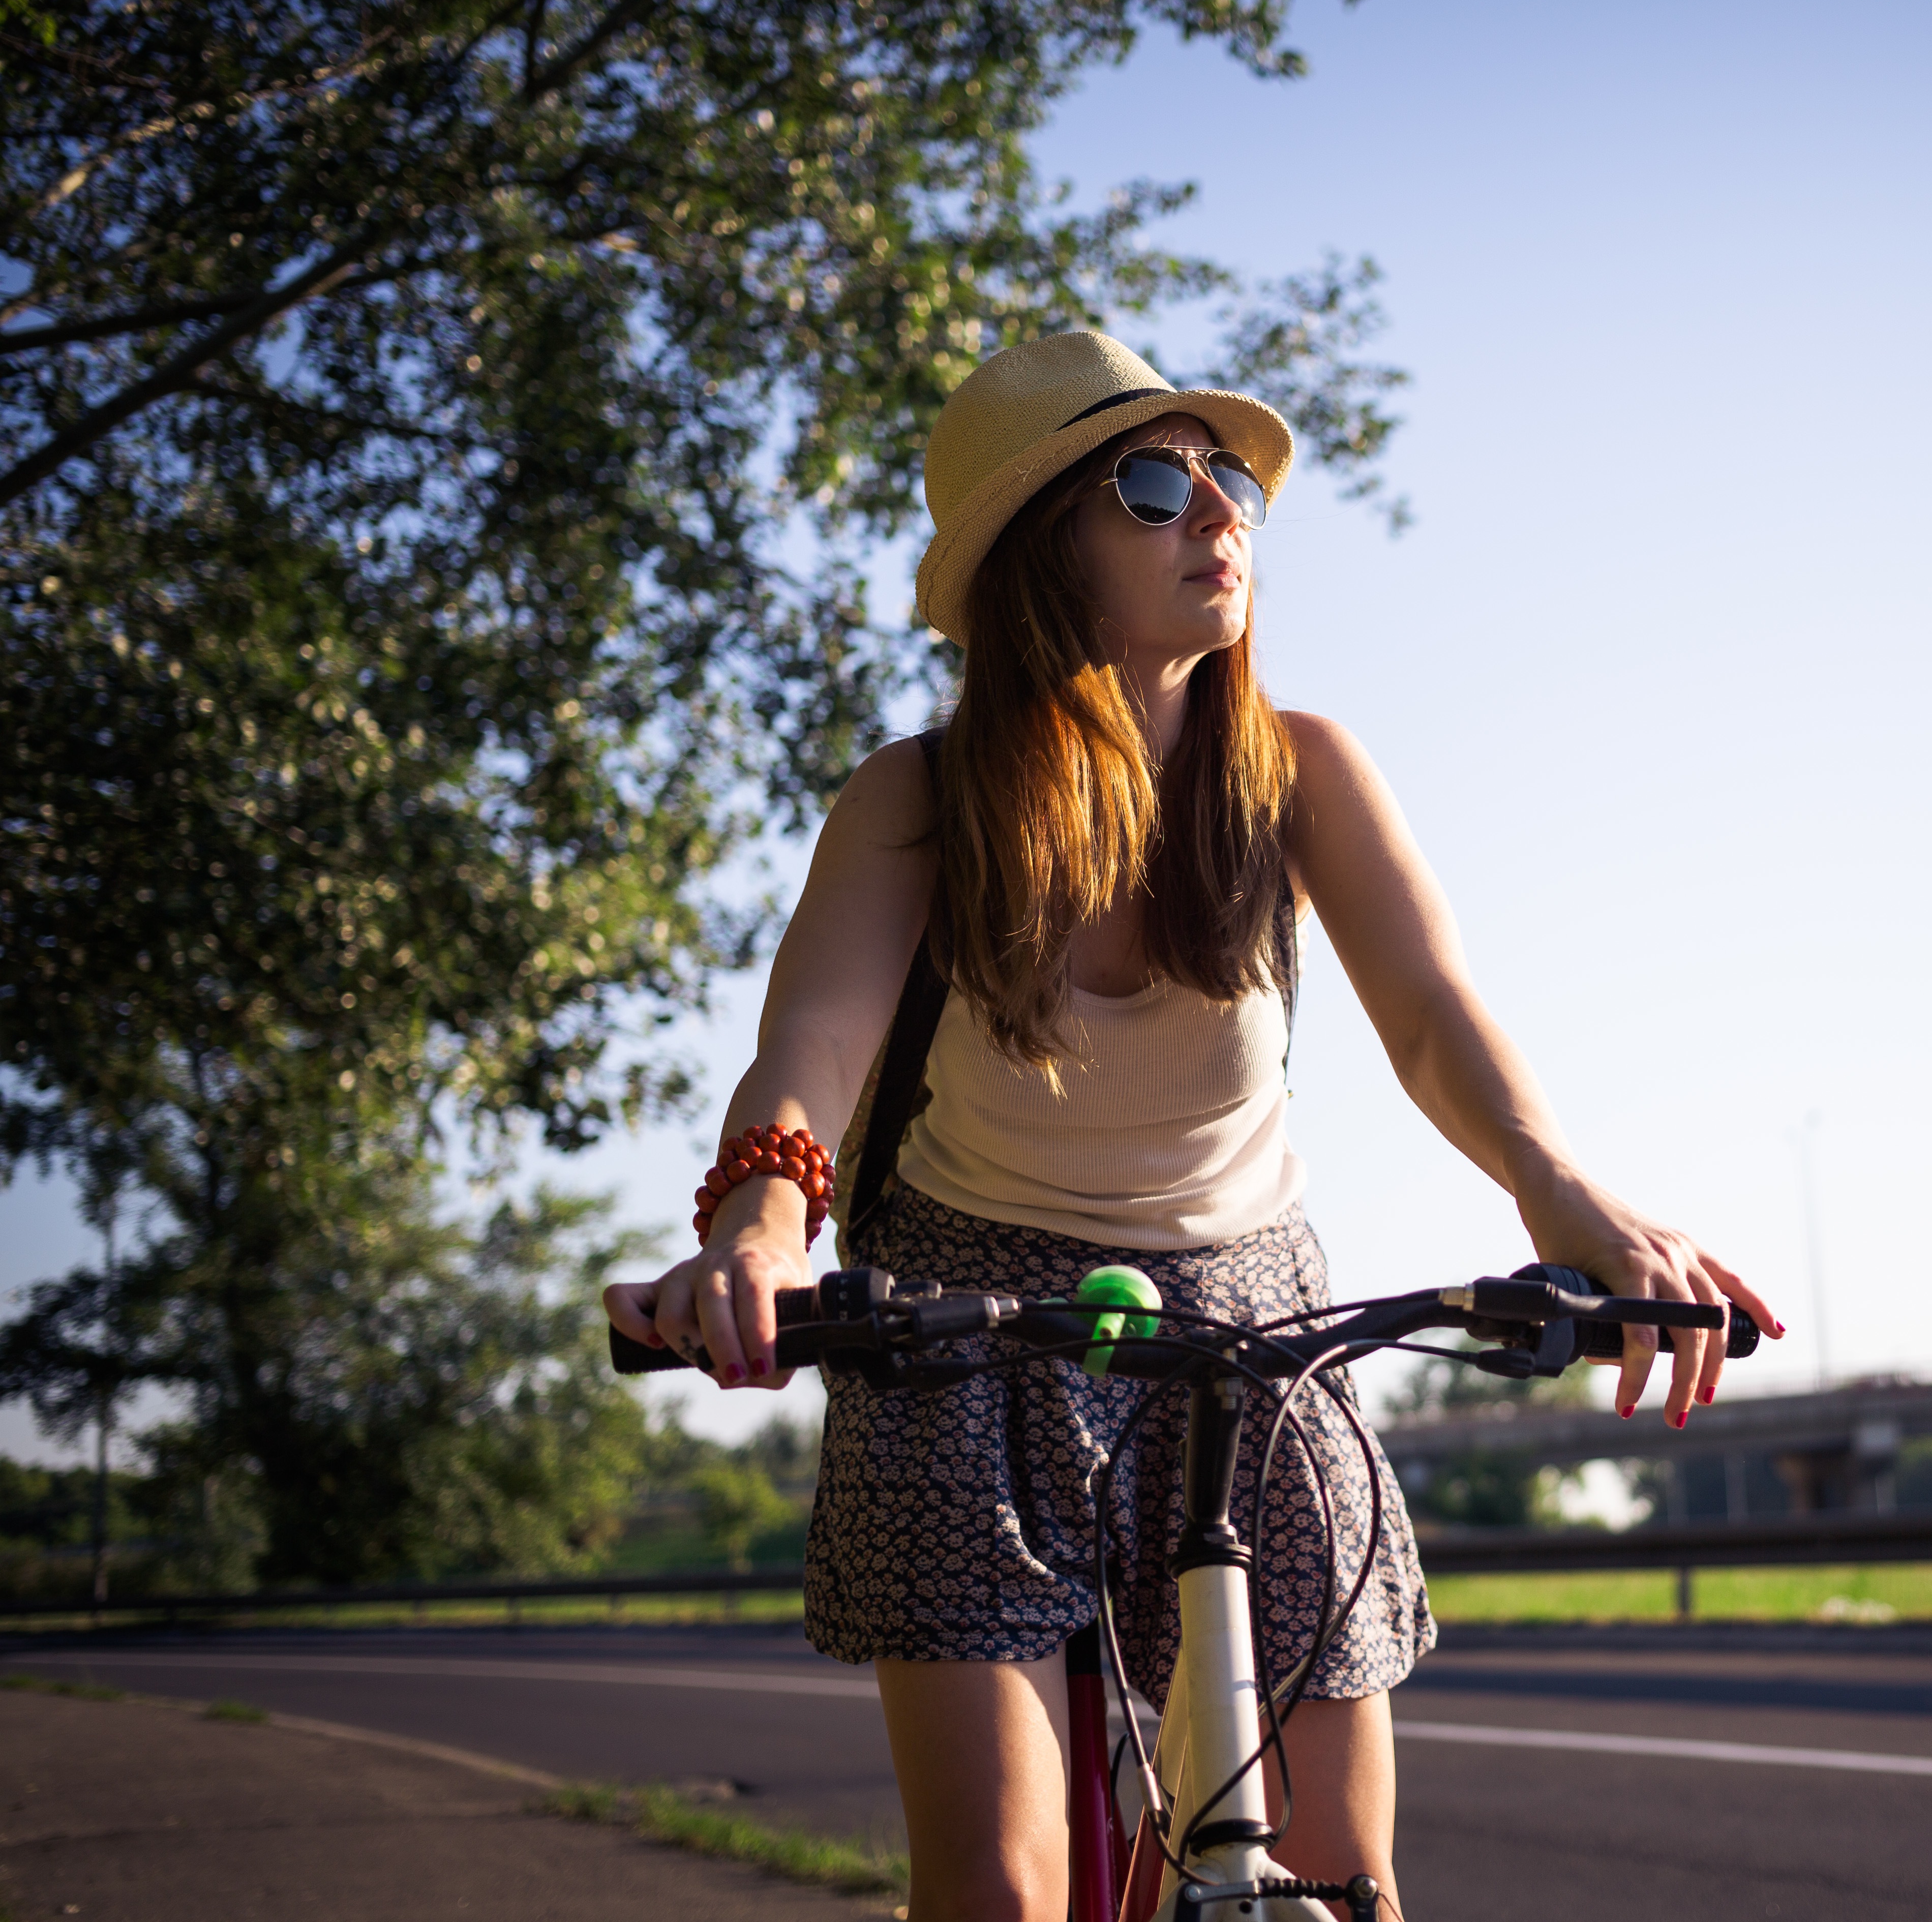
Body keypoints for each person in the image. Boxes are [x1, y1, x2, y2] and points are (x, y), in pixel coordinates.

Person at [606, 330, 1780, 1922]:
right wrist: (756, 1231)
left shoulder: (1298, 772)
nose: (1217, 516)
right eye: (1153, 487)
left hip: (1250, 1303)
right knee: (1004, 1892)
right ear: (1039, 557)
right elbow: (810, 1043)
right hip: (965, 1307)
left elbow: (1435, 1019)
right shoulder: (919, 798)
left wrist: (1566, 1200)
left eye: (1229, 482)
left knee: (1330, 1877)